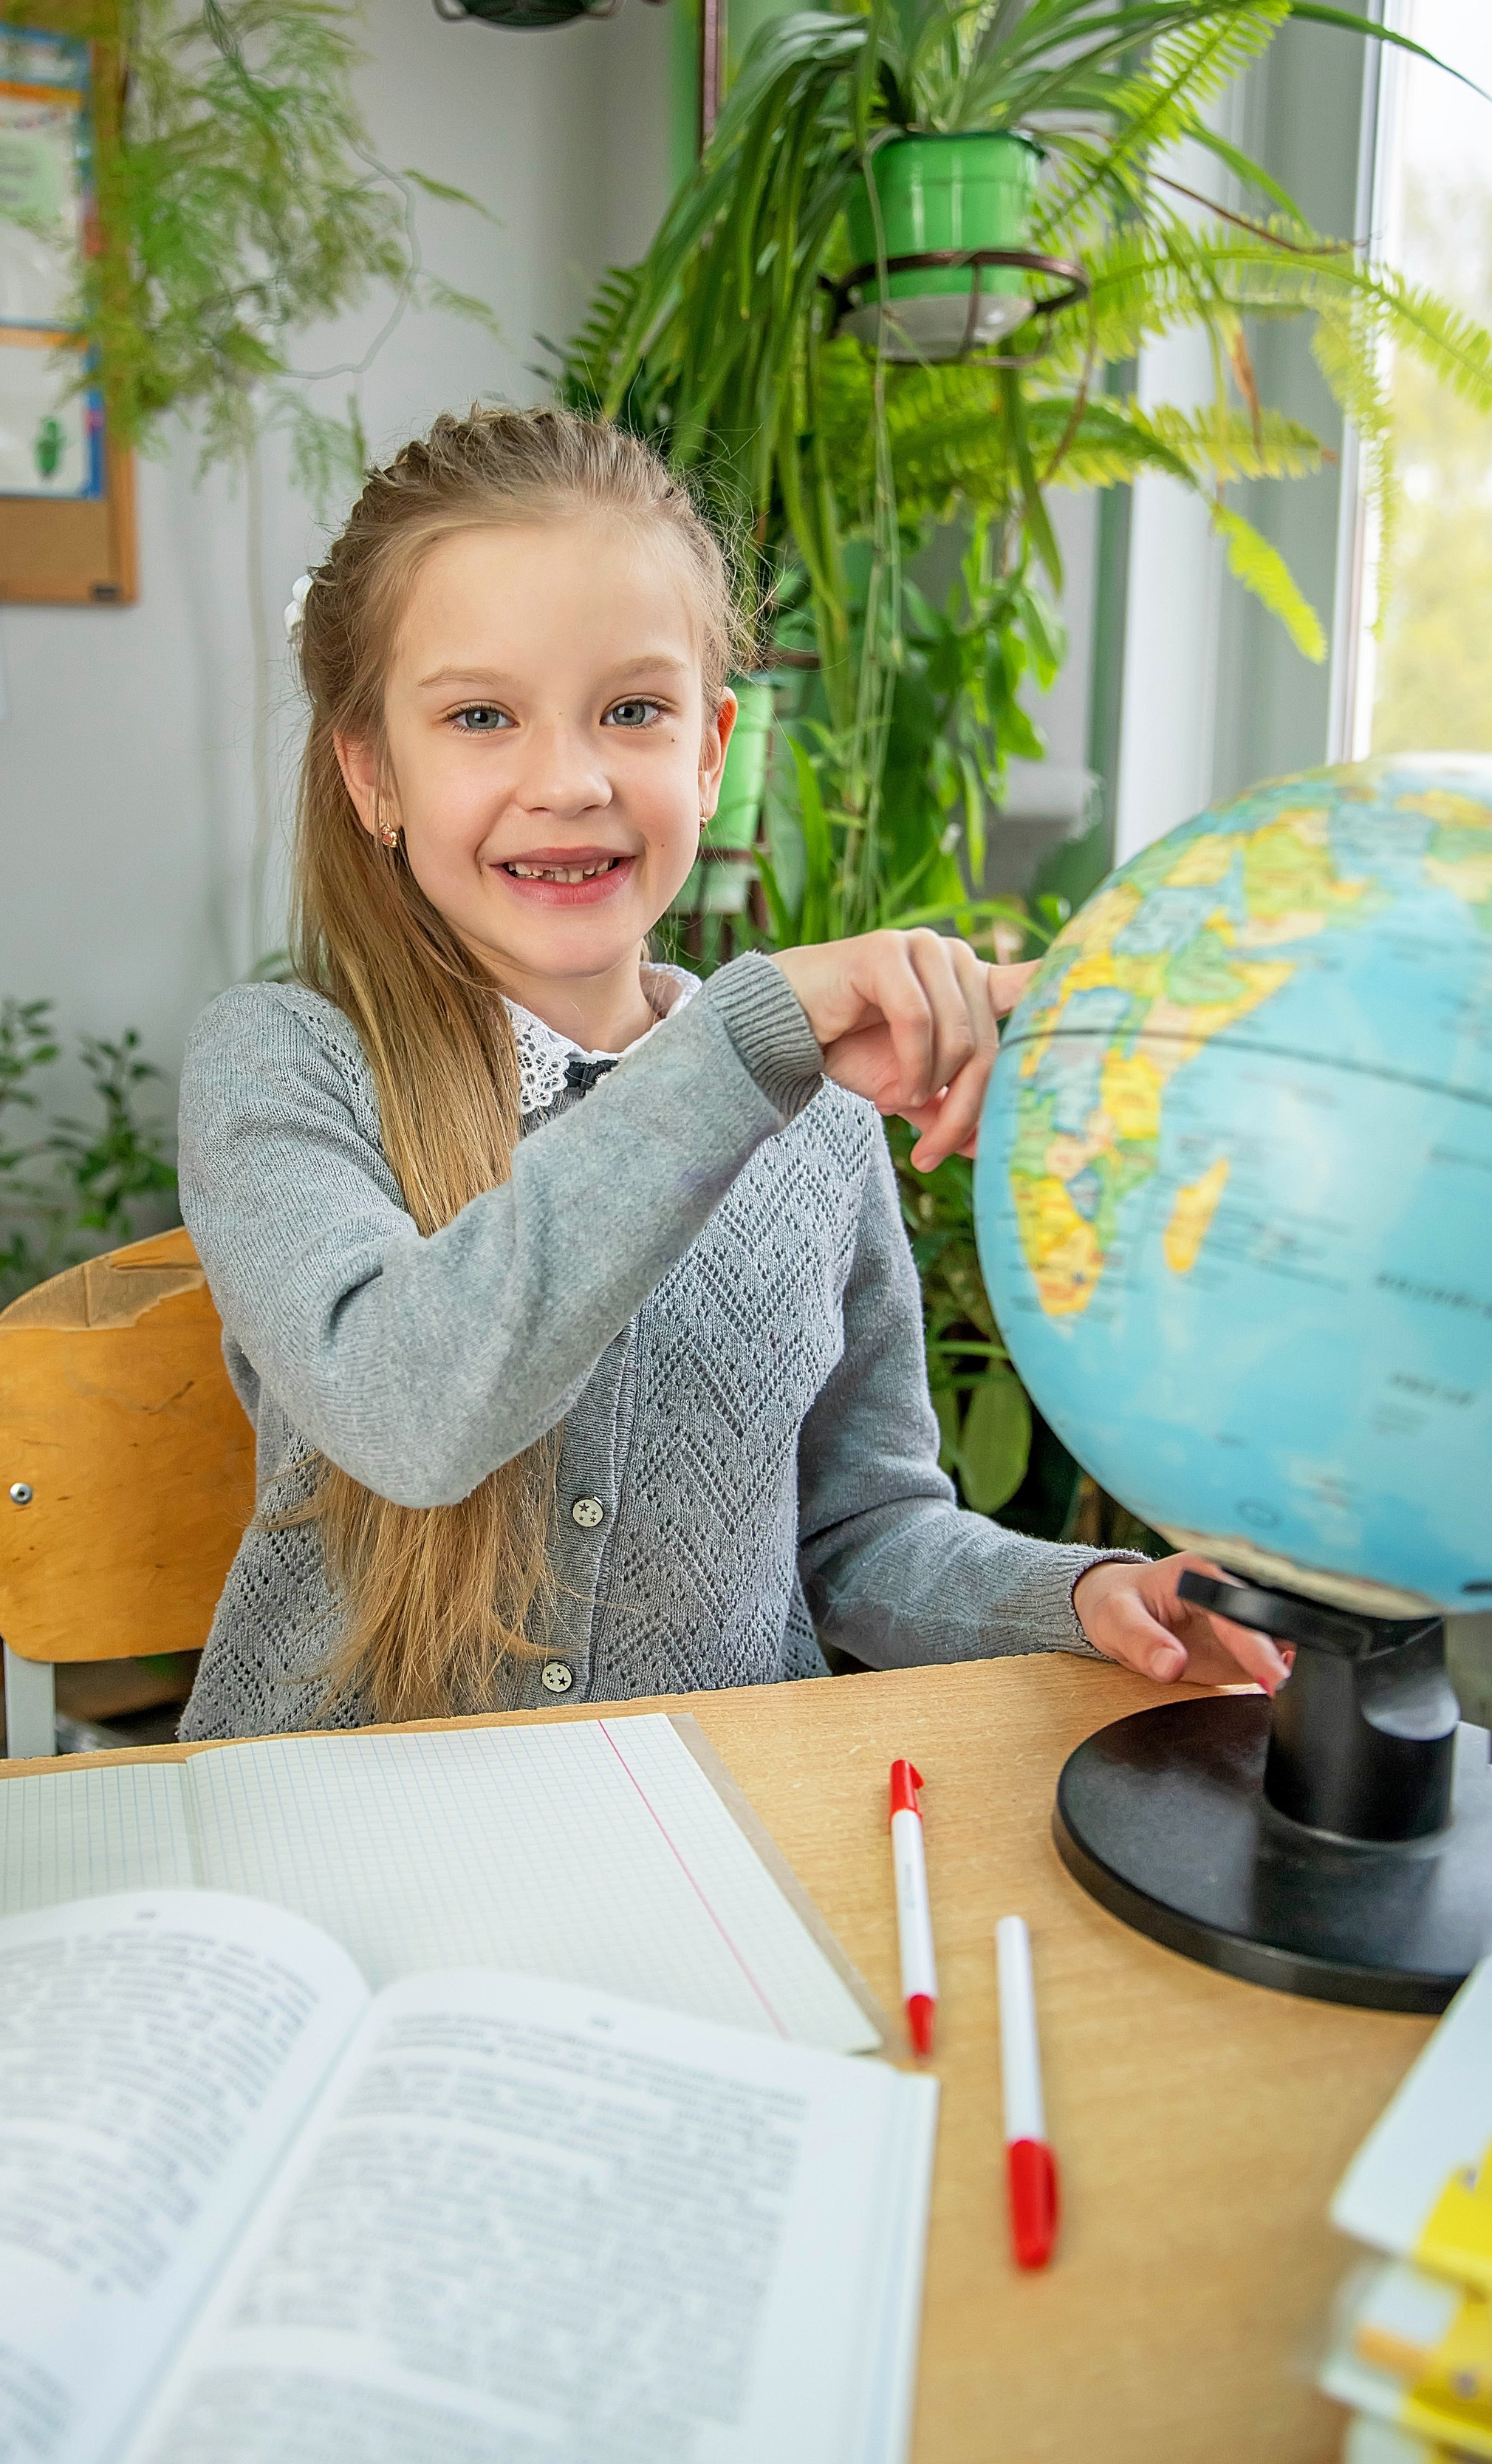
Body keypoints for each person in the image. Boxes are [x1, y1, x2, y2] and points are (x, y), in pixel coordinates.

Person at [177, 406, 1286, 1738]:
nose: (571, 780)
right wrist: (749, 1042)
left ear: (709, 752)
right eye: (481, 716)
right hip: (331, 1852)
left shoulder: (811, 1122)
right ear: (373, 776)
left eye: (633, 711)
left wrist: (1082, 1595)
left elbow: (862, 1533)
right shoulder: (283, 1066)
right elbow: (409, 1410)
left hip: (713, 1842)